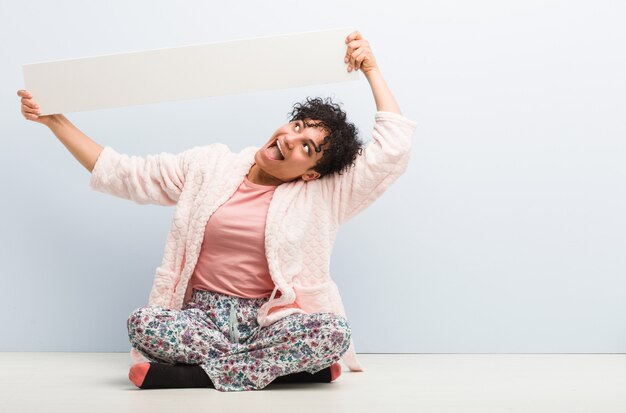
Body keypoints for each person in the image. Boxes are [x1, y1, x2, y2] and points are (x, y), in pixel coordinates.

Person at [17, 30, 417, 392]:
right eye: (297, 126)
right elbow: (125, 173)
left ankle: (197, 375)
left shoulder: (324, 194)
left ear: (312, 173)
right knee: (144, 324)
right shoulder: (209, 166)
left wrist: (372, 70)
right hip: (202, 318)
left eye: (308, 147)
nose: (292, 139)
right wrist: (56, 122)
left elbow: (392, 149)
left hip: (270, 319)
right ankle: (289, 371)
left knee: (333, 332)